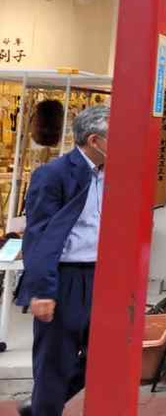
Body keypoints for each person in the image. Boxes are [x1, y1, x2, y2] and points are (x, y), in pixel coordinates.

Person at [16, 105, 109, 416]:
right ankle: (45, 406)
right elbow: (40, 237)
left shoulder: (111, 174)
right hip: (65, 276)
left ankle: (41, 406)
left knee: (103, 356)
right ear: (95, 140)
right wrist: (41, 290)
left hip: (101, 275)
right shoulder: (53, 174)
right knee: (55, 361)